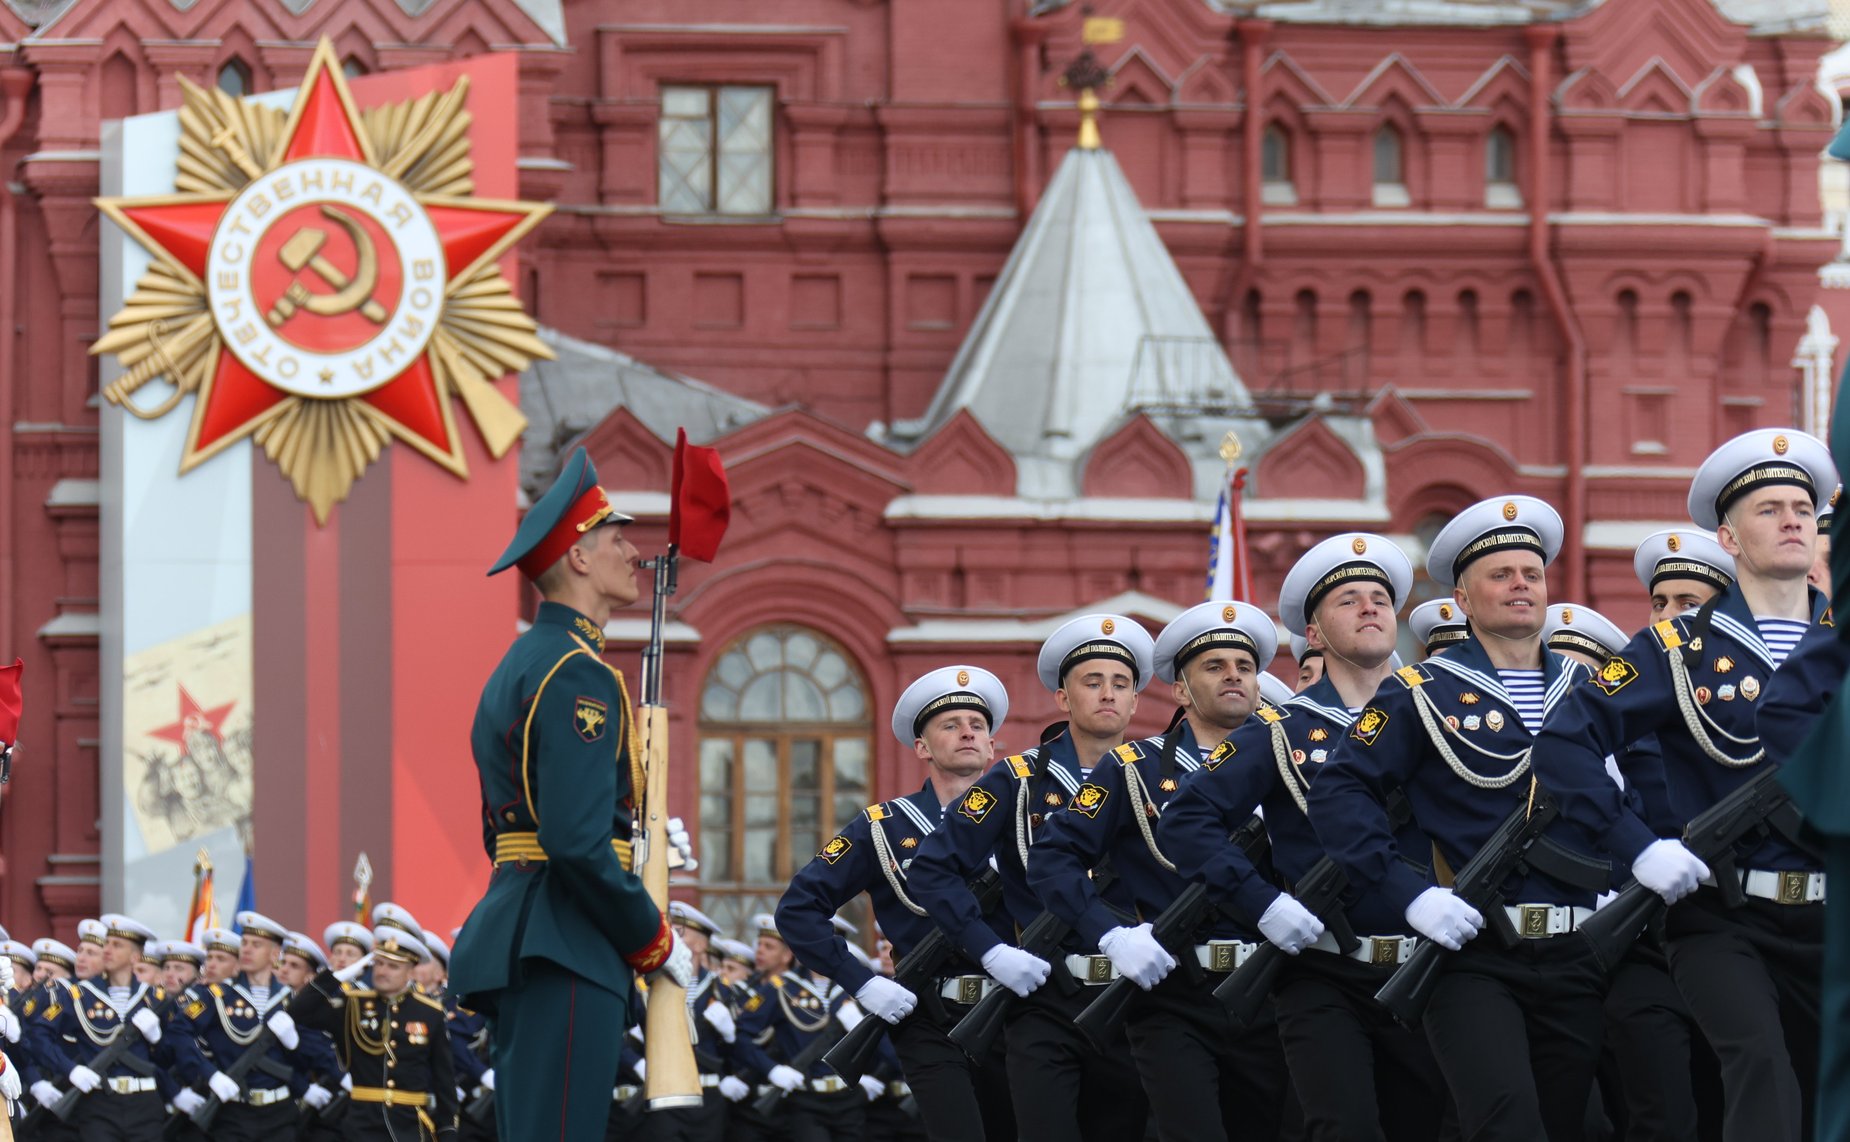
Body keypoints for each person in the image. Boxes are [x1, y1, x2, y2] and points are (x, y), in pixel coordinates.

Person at [1532, 428, 1838, 1142]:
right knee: (1760, 1066)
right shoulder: (1677, 648)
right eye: (1770, 508)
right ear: (1728, 539)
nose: (1792, 518)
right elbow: (1565, 742)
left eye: (1802, 505)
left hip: (1834, 911)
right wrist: (1638, 846)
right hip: (1722, 916)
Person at [1309, 496, 1610, 1142]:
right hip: (1472, 952)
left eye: (1531, 573)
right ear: (1465, 601)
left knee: (1567, 1126)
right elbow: (1339, 791)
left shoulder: (1587, 691)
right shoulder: (1421, 692)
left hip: (1574, 949)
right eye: (1500, 575)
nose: (1521, 585)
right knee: (1506, 1124)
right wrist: (1409, 894)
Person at [1162, 533, 1450, 1142]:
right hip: (1325, 973)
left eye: (1380, 597)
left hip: (1431, 961)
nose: (1371, 607)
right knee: (1342, 1127)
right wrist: (1262, 904)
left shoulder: (1436, 710)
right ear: (1313, 634)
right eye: (1349, 600)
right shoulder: (1278, 727)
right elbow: (1187, 821)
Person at [449, 447, 693, 1142]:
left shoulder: (529, 660)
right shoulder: (577, 674)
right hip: (565, 935)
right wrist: (650, 938)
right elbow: (576, 841)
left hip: (538, 927)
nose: (631, 553)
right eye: (615, 538)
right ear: (579, 560)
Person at [1029, 601, 1295, 1142]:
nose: (1234, 677)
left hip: (1276, 989)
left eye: (1245, 667)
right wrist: (1110, 934)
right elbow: (1054, 857)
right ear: (1180, 690)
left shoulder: (1291, 762)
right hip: (1173, 993)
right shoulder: (1133, 768)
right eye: (1215, 667)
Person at [906, 614, 1154, 1142]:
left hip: (1141, 997)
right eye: (1092, 682)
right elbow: (932, 868)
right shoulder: (1016, 779)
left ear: (1135, 701)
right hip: (1045, 996)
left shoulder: (1158, 774)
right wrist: (991, 951)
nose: (1107, 694)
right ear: (1063, 699)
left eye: (1120, 684)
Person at [778, 666, 1016, 1142]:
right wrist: (862, 983)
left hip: (1018, 1009)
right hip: (929, 1014)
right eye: (950, 724)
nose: (967, 731)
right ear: (923, 747)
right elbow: (798, 909)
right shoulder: (883, 826)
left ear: (992, 746)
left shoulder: (1025, 819)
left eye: (977, 724)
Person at [290, 927, 459, 1140]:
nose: (382, 971)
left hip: (409, 1127)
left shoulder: (429, 1013)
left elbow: (444, 1080)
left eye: (393, 966)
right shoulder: (352, 1006)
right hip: (362, 1126)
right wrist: (335, 977)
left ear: (410, 972)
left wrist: (447, 1131)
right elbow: (299, 1011)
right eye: (379, 963)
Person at [25, 914, 172, 1141]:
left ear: (135, 957)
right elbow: (39, 1035)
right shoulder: (78, 995)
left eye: (116, 945)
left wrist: (157, 1038)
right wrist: (70, 1069)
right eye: (106, 944)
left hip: (145, 1101)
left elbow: (170, 1057)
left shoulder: (155, 997)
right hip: (98, 1103)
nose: (108, 950)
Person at [167, 910, 306, 1141]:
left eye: (257, 945)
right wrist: (210, 1074)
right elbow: (179, 1031)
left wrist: (295, 1043)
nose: (248, 949)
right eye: (245, 943)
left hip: (279, 1113)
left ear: (274, 955)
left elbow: (312, 1057)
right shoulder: (217, 996)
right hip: (233, 1113)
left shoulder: (290, 1000)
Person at [730, 914, 861, 1142]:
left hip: (849, 1099)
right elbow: (742, 1036)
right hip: (805, 1100)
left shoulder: (858, 987)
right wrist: (772, 1069)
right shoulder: (784, 987)